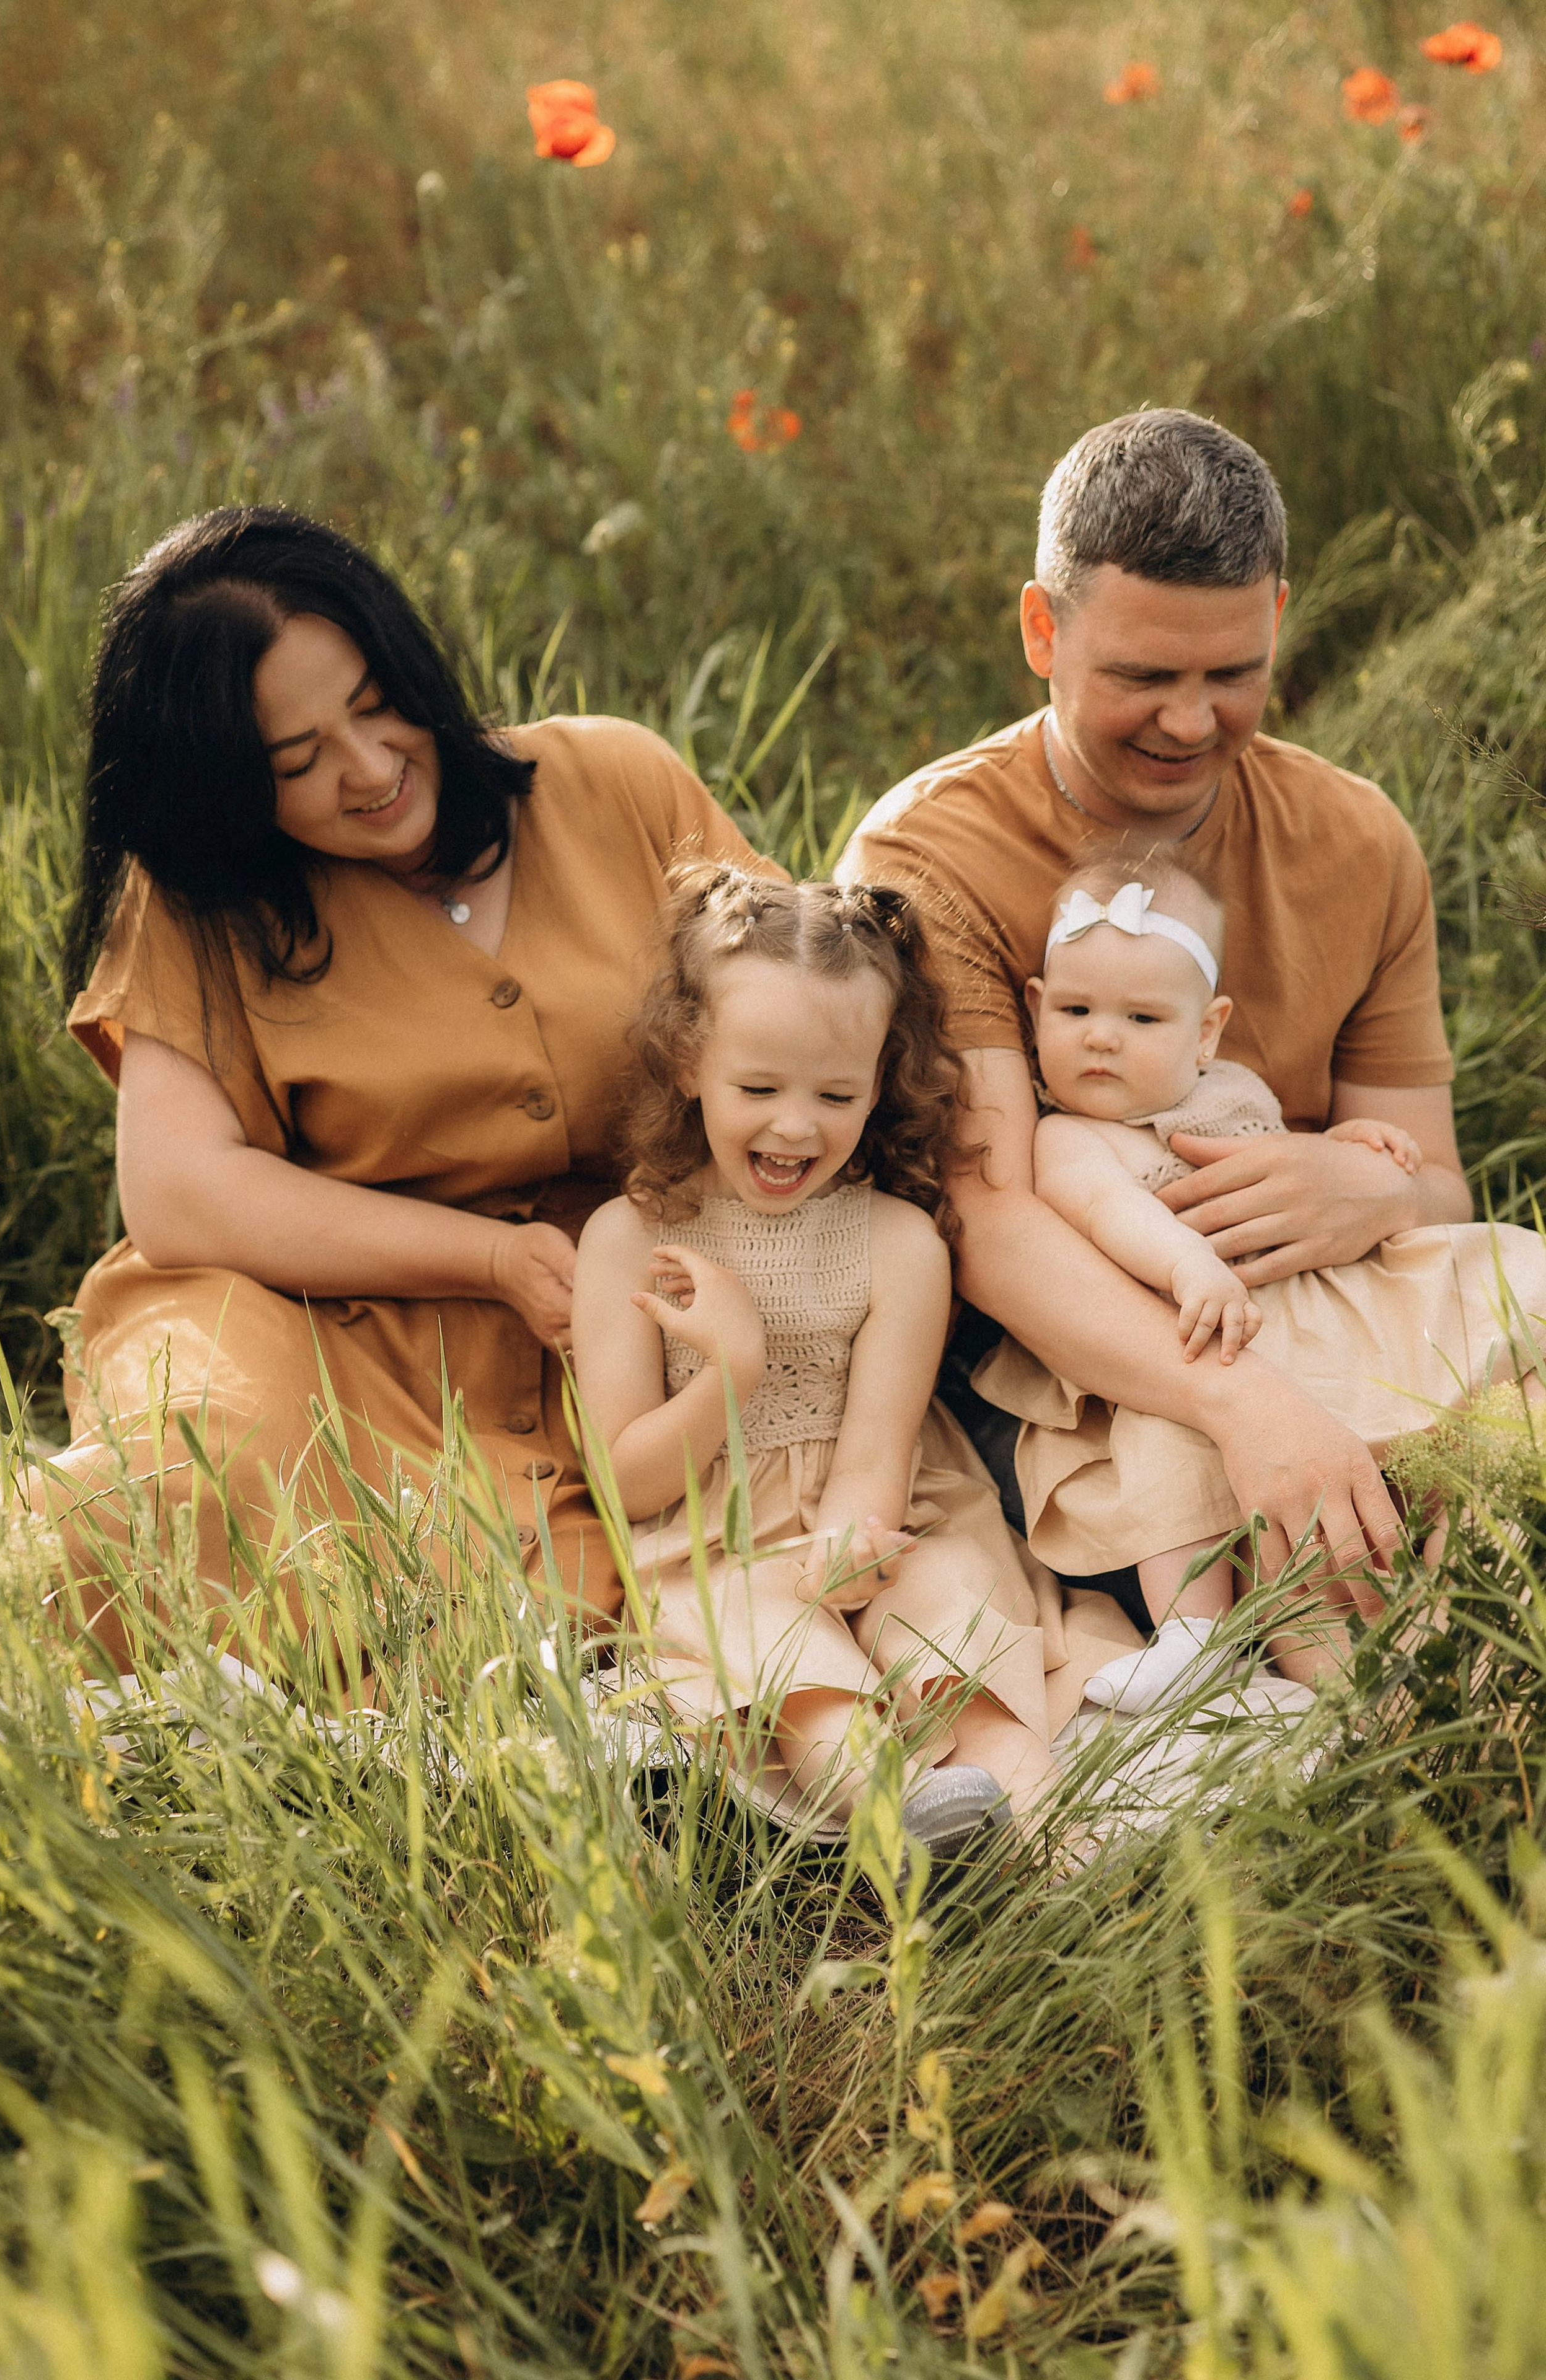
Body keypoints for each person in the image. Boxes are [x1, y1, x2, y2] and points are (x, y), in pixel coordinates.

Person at [0, 506, 777, 1665]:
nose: (370, 769)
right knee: (220, 1497)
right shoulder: (201, 895)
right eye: (295, 762)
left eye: (375, 703)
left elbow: (800, 1012)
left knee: (585, 1598)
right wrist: (489, 1260)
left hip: (611, 1320)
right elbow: (181, 1196)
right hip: (300, 1311)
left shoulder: (614, 781)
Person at [837, 408, 1473, 1633]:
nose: (1189, 723)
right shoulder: (927, 850)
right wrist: (1249, 1411)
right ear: (1042, 630)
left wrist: (1375, 1193)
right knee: (1322, 1572)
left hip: (1329, 1299)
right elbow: (987, 1217)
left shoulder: (1357, 841)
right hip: (1073, 1361)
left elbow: (1434, 1180)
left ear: (1276, 618)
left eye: (1229, 675)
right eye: (1141, 677)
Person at [570, 866, 1142, 1843]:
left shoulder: (898, 1244)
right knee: (805, 1680)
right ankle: (906, 1828)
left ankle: (1060, 1862)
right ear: (685, 1063)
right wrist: (731, 1370)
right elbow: (626, 1484)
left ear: (881, 1084)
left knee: (954, 1650)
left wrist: (849, 1550)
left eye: (838, 1093)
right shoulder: (626, 1240)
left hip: (883, 1517)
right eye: (758, 1088)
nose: (797, 1125)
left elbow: (879, 1450)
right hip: (718, 1550)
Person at [1017, 850, 1546, 1705]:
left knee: (1486, 1294)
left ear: (1207, 1030)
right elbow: (1114, 1215)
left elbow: (1287, 1163)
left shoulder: (1229, 1088)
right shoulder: (1067, 1136)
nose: (1103, 1036)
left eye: (1144, 1019)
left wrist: (1353, 1152)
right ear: (1038, 1008)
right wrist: (1189, 1266)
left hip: (1307, 1312)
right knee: (1168, 1455)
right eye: (1075, 1009)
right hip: (1179, 1331)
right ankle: (1197, 1631)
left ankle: (1458, 1625)